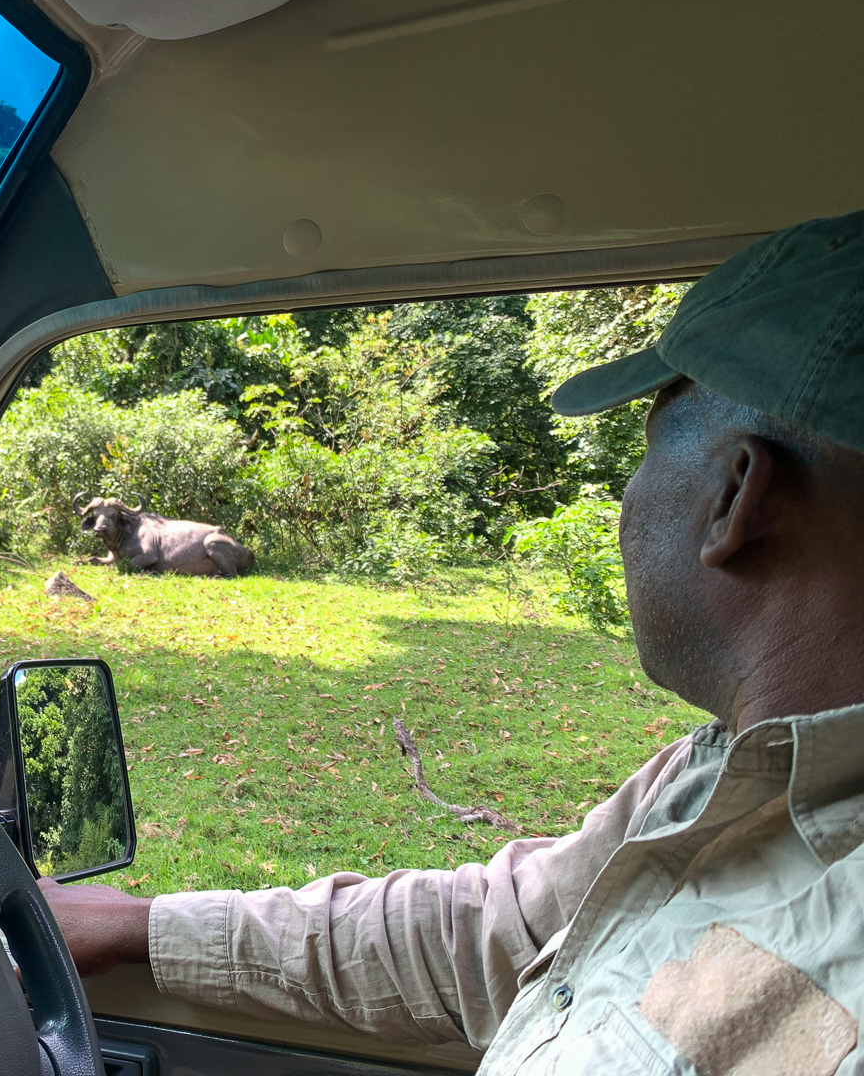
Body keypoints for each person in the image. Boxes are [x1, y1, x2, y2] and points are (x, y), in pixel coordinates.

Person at [42, 210, 864, 1075]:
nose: (626, 499)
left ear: (736, 496)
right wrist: (141, 925)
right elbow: (494, 932)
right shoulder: (714, 778)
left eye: (649, 447)